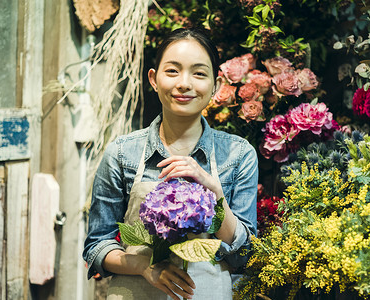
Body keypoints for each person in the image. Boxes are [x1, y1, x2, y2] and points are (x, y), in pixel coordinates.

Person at [83, 28, 258, 300]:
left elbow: (247, 256)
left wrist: (216, 195)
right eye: (173, 71)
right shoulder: (121, 153)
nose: (184, 83)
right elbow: (96, 247)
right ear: (154, 79)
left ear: (216, 85)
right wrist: (145, 267)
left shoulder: (238, 155)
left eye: (199, 73)